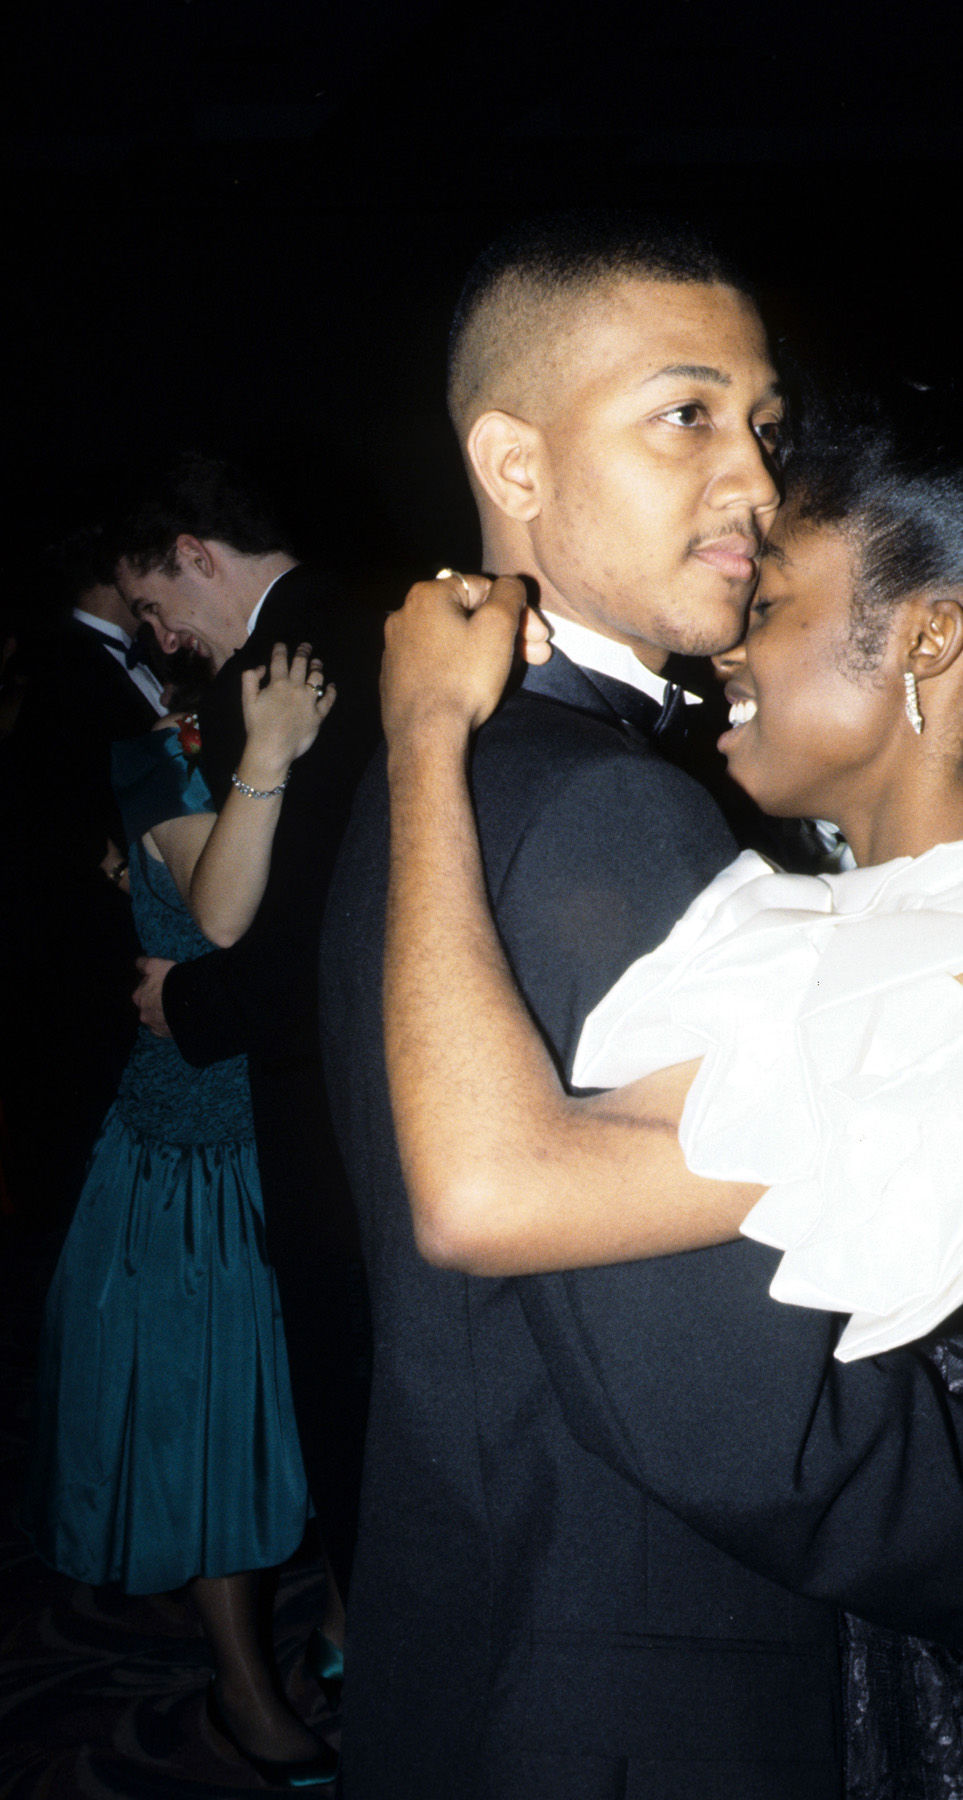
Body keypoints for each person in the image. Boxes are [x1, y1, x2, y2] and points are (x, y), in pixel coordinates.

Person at [319, 215, 963, 1800]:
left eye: (764, 423)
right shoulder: (599, 807)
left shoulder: (477, 751)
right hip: (645, 1707)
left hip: (501, 1638)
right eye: (686, 414)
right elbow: (765, 1440)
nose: (752, 479)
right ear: (514, 463)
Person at [25, 643, 339, 1788]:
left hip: (300, 1134)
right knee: (215, 1432)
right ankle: (242, 1692)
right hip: (194, 1158)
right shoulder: (156, 762)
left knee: (321, 1405)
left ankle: (342, 1620)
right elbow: (224, 918)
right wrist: (270, 753)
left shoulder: (300, 738)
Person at [112, 453, 380, 1611]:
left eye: (154, 603)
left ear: (195, 555)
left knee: (349, 1385)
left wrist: (188, 1006)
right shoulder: (376, 618)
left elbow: (292, 936)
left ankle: (382, 1649)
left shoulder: (263, 682)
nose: (160, 636)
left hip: (326, 1093)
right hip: (411, 1069)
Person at [0, 528, 167, 1226]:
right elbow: (48, 811)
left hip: (115, 955)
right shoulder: (59, 665)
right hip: (85, 960)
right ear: (115, 568)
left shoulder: (125, 660)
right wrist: (130, 878)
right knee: (76, 1157)